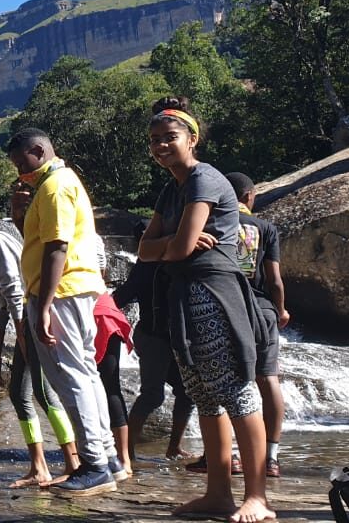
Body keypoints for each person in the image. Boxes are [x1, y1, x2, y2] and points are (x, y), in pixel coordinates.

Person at [138, 98, 273, 522]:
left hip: (214, 293)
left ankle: (257, 498)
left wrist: (171, 244)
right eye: (154, 140)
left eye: (169, 137)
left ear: (192, 139)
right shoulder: (171, 188)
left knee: (236, 391)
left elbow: (175, 248)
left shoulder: (204, 179)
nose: (160, 145)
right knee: (205, 396)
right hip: (183, 294)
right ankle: (218, 494)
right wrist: (173, 243)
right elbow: (145, 250)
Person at [5, 127, 122, 496]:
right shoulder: (56, 183)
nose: (20, 172)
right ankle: (109, 457)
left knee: (70, 377)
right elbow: (40, 239)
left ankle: (94, 465)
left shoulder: (55, 186)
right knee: (85, 372)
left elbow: (57, 246)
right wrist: (20, 211)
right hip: (74, 290)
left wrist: (44, 305)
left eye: (21, 163)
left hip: (61, 293)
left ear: (39, 151)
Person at [0, 202, 80, 488]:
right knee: (19, 394)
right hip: (25, 321)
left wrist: (23, 336)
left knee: (43, 393)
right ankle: (39, 468)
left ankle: (74, 463)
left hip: (31, 320)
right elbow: (0, 305)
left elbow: (14, 291)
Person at [225, 171, 288, 479]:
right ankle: (271, 458)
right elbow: (274, 280)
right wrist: (281, 310)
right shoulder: (266, 228)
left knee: (228, 381)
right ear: (249, 196)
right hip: (262, 309)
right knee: (268, 379)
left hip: (226, 308)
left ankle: (233, 455)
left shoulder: (215, 222)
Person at [116, 227, 195, 462]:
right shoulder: (146, 265)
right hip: (153, 337)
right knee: (153, 395)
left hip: (178, 338)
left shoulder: (180, 258)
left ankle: (174, 448)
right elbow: (125, 293)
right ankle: (126, 450)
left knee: (187, 392)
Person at [93, 291, 134, 478]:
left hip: (94, 315)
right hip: (108, 312)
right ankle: (125, 459)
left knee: (89, 386)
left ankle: (94, 457)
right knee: (111, 387)